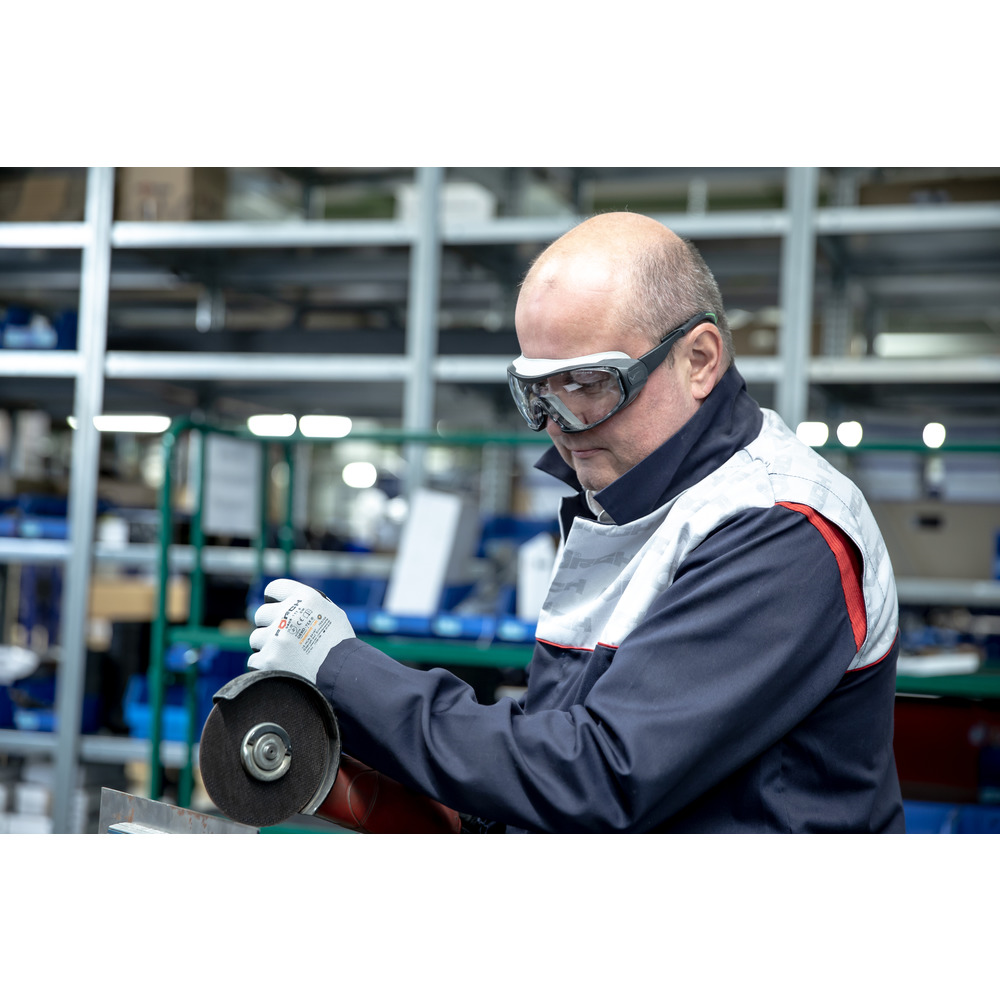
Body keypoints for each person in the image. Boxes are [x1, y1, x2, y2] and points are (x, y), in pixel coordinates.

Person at [247, 212, 905, 833]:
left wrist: (346, 672)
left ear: (700, 359)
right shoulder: (633, 499)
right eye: (537, 391)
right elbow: (564, 735)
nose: (559, 426)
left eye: (588, 384)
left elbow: (600, 775)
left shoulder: (780, 527)